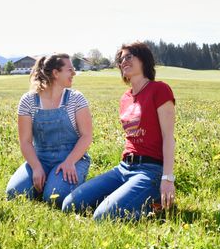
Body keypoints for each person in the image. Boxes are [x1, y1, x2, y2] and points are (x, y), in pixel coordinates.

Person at [62, 42, 176, 221]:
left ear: (143, 59)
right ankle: (125, 201)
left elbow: (169, 138)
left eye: (129, 57)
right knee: (69, 204)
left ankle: (154, 208)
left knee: (102, 216)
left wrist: (168, 178)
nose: (124, 62)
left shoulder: (159, 90)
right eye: (121, 59)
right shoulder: (125, 98)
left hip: (150, 171)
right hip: (123, 168)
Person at [6, 54, 92, 208]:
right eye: (70, 70)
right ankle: (46, 180)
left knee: (54, 197)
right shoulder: (28, 101)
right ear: (55, 73)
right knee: (14, 193)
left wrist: (70, 162)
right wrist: (36, 167)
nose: (74, 73)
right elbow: (25, 142)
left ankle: (56, 183)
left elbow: (86, 136)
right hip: (40, 159)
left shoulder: (76, 98)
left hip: (72, 159)